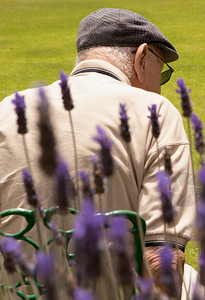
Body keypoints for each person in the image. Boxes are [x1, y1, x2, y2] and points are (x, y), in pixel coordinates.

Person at [0, 8, 195, 297]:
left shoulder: (6, 109)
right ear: (142, 57)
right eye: (163, 72)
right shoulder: (157, 113)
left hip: (15, 292)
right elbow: (161, 257)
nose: (161, 85)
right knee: (191, 278)